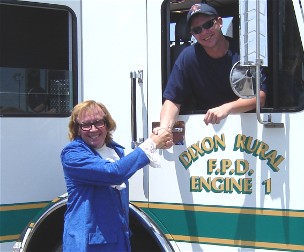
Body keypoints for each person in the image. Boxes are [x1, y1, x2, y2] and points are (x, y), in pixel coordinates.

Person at [60, 100, 172, 252]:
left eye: (98, 122)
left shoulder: (116, 151)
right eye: (86, 125)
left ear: (107, 124)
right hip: (87, 244)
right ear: (78, 129)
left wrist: (159, 140)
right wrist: (151, 144)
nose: (93, 129)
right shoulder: (72, 154)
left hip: (117, 239)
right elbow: (113, 173)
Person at [155, 3, 267, 145]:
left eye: (208, 24)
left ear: (219, 22)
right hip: (206, 134)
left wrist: (226, 108)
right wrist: (164, 130)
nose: (204, 32)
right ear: (192, 34)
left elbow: (259, 97)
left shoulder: (243, 53)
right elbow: (172, 100)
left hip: (247, 135)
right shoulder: (188, 58)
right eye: (197, 29)